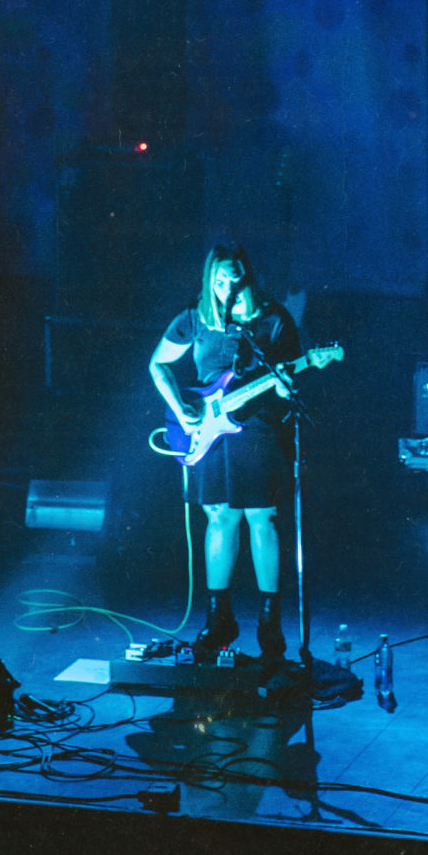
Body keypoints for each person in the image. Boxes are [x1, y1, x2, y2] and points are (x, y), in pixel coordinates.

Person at [149, 245, 300, 662]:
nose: (227, 287)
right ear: (208, 280)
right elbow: (158, 365)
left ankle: (270, 622)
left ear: (247, 276)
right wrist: (180, 408)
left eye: (234, 278)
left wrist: (285, 386)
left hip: (257, 428)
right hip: (208, 429)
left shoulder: (273, 320)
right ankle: (219, 619)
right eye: (218, 280)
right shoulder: (195, 319)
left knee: (261, 518)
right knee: (218, 516)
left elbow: (288, 381)